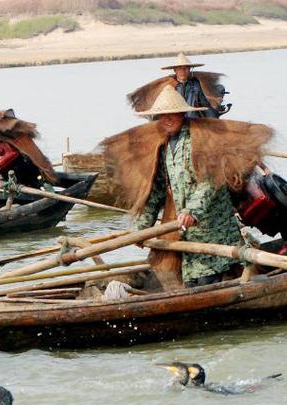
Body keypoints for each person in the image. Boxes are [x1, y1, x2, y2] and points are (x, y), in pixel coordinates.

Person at [100, 84, 272, 290]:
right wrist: (141, 229)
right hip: (188, 236)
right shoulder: (163, 147)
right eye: (163, 115)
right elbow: (156, 191)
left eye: (173, 114)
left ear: (182, 114)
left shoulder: (200, 141)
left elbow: (209, 182)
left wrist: (192, 211)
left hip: (213, 230)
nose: (168, 119)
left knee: (214, 280)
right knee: (193, 283)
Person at [127, 53, 229, 119]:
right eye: (180, 68)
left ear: (190, 70)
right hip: (175, 119)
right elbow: (162, 108)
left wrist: (214, 119)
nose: (182, 71)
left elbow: (204, 103)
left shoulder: (195, 84)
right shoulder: (169, 86)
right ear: (175, 70)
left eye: (185, 68)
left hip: (193, 119)